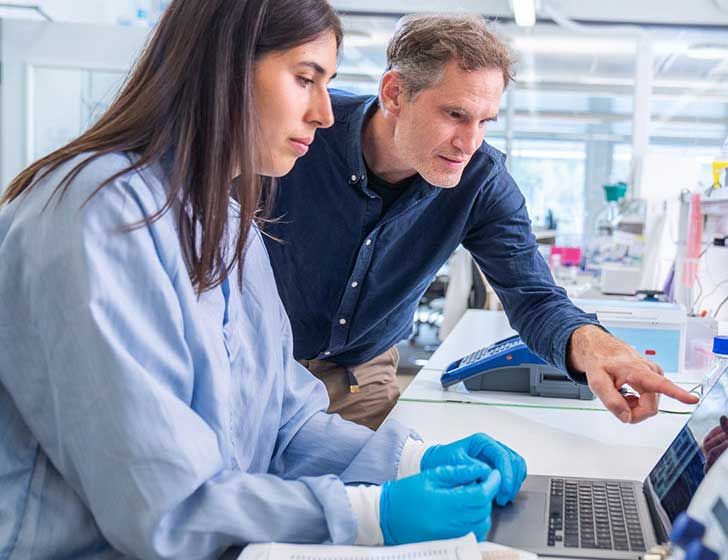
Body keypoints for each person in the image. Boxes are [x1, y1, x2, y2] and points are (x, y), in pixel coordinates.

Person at [0, 2, 524, 558]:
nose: (325, 114)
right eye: (305, 80)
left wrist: (414, 460)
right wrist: (371, 513)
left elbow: (285, 421)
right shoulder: (101, 217)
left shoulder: (228, 222)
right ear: (222, 70)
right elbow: (163, 503)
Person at [266, 14, 699, 429]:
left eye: (484, 122)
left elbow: (535, 298)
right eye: (455, 114)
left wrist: (596, 345)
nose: (469, 143)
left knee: (365, 492)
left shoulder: (481, 182)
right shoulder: (301, 130)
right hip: (258, 356)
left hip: (360, 374)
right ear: (395, 93)